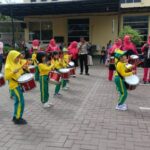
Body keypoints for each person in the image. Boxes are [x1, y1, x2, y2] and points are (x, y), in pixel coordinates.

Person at [4, 50, 28, 124]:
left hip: (18, 84)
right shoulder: (8, 66)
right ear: (12, 57)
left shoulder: (17, 63)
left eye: (18, 57)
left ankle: (15, 116)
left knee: (17, 101)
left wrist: (25, 69)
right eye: (17, 57)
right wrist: (13, 72)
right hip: (14, 86)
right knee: (21, 101)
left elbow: (20, 73)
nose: (18, 59)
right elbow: (6, 77)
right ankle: (18, 118)